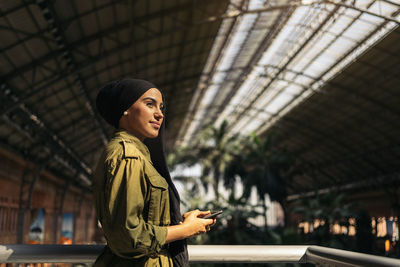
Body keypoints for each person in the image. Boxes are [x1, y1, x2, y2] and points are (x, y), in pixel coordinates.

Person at [93, 79, 215, 266]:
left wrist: (184, 223)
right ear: (125, 109)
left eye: (161, 107)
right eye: (149, 104)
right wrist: (186, 230)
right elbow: (128, 236)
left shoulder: (137, 153)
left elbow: (142, 221)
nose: (159, 114)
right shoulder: (129, 157)